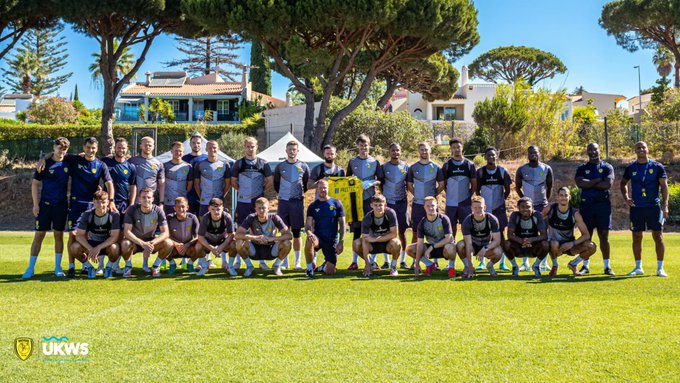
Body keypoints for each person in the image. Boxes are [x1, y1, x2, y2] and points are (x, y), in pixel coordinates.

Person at [36, 137, 115, 278]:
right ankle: (72, 266)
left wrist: (111, 200)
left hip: (93, 205)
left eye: (93, 148)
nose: (90, 150)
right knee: (73, 235)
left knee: (97, 234)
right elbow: (58, 153)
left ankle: (100, 266)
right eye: (88, 147)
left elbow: (109, 183)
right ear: (84, 148)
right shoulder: (74, 160)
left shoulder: (101, 164)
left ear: (97, 149)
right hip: (75, 204)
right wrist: (43, 158)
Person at [23, 138, 71, 279]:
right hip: (45, 206)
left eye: (64, 148)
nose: (61, 151)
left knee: (58, 235)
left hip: (61, 206)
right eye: (59, 148)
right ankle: (30, 268)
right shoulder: (45, 163)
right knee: (39, 235)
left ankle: (57, 267)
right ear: (54, 148)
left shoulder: (69, 162)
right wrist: (35, 204)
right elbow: (34, 184)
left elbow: (84, 156)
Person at [620, 141, 669, 277]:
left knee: (658, 236)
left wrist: (665, 205)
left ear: (648, 149)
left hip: (653, 207)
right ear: (635, 151)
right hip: (637, 208)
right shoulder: (631, 168)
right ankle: (638, 267)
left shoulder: (657, 167)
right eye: (638, 148)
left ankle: (660, 268)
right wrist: (626, 198)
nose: (641, 150)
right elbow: (623, 183)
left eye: (643, 147)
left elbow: (664, 187)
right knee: (636, 237)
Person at [230, 136, 273, 270]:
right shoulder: (238, 163)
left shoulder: (263, 163)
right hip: (243, 202)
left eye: (252, 146)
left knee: (258, 230)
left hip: (258, 201)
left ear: (257, 147)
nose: (250, 149)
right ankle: (238, 260)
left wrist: (259, 191)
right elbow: (233, 182)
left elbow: (269, 181)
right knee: (240, 230)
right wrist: (244, 191)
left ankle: (261, 261)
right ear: (244, 147)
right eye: (248, 146)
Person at [575, 143, 615, 275]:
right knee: (587, 236)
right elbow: (580, 183)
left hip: (603, 206)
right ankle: (585, 266)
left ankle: (607, 266)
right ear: (587, 151)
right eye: (590, 149)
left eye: (595, 149)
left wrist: (589, 183)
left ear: (600, 150)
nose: (592, 151)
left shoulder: (607, 167)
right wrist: (597, 180)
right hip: (587, 206)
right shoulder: (582, 168)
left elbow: (607, 184)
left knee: (604, 236)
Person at [129, 136, 165, 273]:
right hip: (135, 204)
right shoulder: (132, 161)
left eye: (150, 144)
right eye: (145, 144)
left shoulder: (158, 163)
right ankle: (126, 264)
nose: (148, 146)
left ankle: (147, 263)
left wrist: (161, 202)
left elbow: (161, 184)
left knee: (148, 232)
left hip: (150, 204)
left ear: (154, 146)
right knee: (131, 233)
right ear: (140, 146)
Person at [542, 187, 597, 277]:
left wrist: (572, 243)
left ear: (569, 197)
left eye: (566, 195)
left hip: (569, 245)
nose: (564, 198)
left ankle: (573, 264)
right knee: (554, 243)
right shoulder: (549, 209)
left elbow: (586, 235)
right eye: (561, 195)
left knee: (591, 247)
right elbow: (538, 222)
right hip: (554, 245)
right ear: (557, 197)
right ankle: (554, 266)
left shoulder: (575, 214)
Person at [406, 142, 445, 269]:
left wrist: (432, 197)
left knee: (436, 234)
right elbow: (410, 186)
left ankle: (435, 262)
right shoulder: (412, 168)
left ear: (430, 151)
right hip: (417, 205)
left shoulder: (437, 167)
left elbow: (441, 185)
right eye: (422, 149)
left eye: (426, 149)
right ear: (418, 151)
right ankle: (415, 261)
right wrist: (418, 195)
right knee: (416, 233)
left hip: (432, 207)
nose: (424, 152)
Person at [102, 137, 137, 275]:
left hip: (123, 205)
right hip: (106, 204)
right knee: (105, 234)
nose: (121, 150)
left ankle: (115, 265)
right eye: (119, 147)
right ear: (114, 148)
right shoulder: (105, 162)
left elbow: (133, 186)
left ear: (126, 149)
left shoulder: (131, 167)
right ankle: (101, 265)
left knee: (122, 236)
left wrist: (132, 204)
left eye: (123, 147)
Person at [273, 140, 310, 271]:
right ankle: (285, 261)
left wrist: (296, 195)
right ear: (286, 151)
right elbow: (276, 184)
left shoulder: (304, 166)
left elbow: (305, 184)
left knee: (297, 233)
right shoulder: (280, 167)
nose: (292, 151)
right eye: (290, 149)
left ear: (297, 151)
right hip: (283, 202)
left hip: (297, 203)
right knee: (284, 232)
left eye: (294, 149)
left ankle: (297, 262)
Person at [515, 146, 553, 272]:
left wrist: (545, 201)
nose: (533, 154)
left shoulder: (547, 168)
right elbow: (517, 187)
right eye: (530, 152)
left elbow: (549, 187)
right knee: (526, 232)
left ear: (539, 153)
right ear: (527, 154)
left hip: (541, 204)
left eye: (535, 152)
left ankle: (543, 262)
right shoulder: (521, 169)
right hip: (526, 206)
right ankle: (525, 263)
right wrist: (524, 201)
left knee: (544, 233)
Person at [120, 188, 173, 278]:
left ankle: (156, 266)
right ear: (139, 199)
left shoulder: (159, 211)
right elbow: (127, 232)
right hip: (136, 242)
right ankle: (128, 267)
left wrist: (151, 244)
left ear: (152, 199)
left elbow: (166, 233)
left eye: (149, 197)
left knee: (169, 243)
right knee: (125, 243)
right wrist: (142, 243)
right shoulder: (132, 210)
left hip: (151, 241)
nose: (146, 200)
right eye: (143, 197)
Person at [346, 134, 381, 270]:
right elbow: (347, 180)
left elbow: (380, 180)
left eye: (365, 146)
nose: (363, 148)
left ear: (369, 146)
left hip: (369, 201)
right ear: (357, 147)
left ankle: (373, 261)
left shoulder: (375, 162)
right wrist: (353, 181)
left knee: (372, 230)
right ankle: (354, 261)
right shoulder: (352, 162)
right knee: (356, 230)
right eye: (361, 146)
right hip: (356, 201)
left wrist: (372, 182)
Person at [307, 144, 345, 269]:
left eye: (332, 153)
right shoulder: (318, 169)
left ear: (335, 155)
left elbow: (345, 188)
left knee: (332, 230)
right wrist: (321, 182)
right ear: (324, 155)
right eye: (327, 153)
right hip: (319, 206)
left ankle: (328, 262)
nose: (330, 155)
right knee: (313, 233)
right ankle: (312, 260)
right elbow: (309, 185)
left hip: (334, 205)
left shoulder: (340, 171)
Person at [441, 138, 477, 272]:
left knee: (467, 233)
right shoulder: (446, 165)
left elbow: (474, 185)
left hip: (465, 204)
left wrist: (467, 196)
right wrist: (451, 195)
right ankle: (452, 264)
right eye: (454, 147)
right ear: (451, 149)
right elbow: (444, 185)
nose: (456, 149)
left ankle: (469, 263)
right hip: (450, 204)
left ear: (462, 148)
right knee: (451, 234)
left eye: (458, 147)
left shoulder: (469, 164)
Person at [235, 197, 292, 277]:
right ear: (255, 209)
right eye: (259, 208)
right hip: (255, 249)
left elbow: (289, 235)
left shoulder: (275, 218)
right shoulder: (251, 218)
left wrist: (272, 238)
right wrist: (255, 237)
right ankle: (249, 266)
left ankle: (276, 265)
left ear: (268, 209)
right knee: (239, 242)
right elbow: (237, 235)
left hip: (271, 248)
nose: (261, 211)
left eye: (264, 208)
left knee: (287, 243)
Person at [475, 147, 511, 272]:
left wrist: (500, 202)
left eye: (493, 155)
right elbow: (477, 190)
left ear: (497, 156)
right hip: (485, 210)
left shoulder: (502, 171)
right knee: (485, 235)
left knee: (501, 235)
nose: (491, 157)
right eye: (488, 155)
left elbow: (507, 190)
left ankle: (502, 262)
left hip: (499, 209)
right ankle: (482, 262)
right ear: (485, 157)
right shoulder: (480, 172)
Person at [70, 191, 121, 279]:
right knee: (74, 247)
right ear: (93, 202)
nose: (100, 205)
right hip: (92, 243)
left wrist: (98, 248)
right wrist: (91, 249)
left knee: (115, 248)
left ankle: (109, 268)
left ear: (108, 202)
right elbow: (79, 235)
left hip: (106, 245)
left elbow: (114, 237)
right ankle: (89, 268)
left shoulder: (114, 215)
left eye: (103, 202)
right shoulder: (87, 214)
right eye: (97, 202)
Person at [377, 143, 410, 270]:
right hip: (388, 203)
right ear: (389, 152)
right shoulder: (384, 167)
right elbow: (381, 184)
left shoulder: (406, 166)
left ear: (400, 152)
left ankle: (402, 260)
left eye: (397, 150)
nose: (395, 152)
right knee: (386, 231)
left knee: (401, 231)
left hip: (401, 202)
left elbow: (408, 184)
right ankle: (386, 261)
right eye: (393, 150)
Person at [304, 179, 346, 278]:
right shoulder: (313, 206)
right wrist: (309, 232)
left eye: (325, 188)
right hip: (318, 238)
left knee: (330, 271)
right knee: (309, 240)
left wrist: (341, 242)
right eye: (320, 188)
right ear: (317, 190)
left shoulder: (336, 203)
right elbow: (308, 225)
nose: (323, 190)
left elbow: (343, 224)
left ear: (328, 188)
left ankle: (323, 267)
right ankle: (310, 269)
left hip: (331, 240)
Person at [353, 194, 401, 277]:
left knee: (397, 243)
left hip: (387, 245)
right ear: (371, 205)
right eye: (375, 205)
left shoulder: (390, 213)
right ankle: (371, 264)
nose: (378, 207)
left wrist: (376, 239)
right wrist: (366, 264)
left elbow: (394, 234)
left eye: (380, 205)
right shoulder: (367, 218)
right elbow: (365, 240)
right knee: (356, 243)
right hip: (372, 246)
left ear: (385, 205)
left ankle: (393, 267)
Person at [406, 196, 455, 277]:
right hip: (431, 250)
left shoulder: (443, 219)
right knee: (410, 249)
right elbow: (420, 244)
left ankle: (451, 268)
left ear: (436, 206)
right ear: (424, 207)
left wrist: (432, 247)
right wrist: (417, 263)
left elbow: (449, 238)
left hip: (444, 248)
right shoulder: (422, 223)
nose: (430, 208)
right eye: (428, 206)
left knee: (451, 247)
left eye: (432, 205)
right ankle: (429, 265)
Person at [503, 197, 550, 278]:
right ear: (518, 208)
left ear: (532, 207)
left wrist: (531, 240)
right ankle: (515, 266)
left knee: (546, 244)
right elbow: (510, 235)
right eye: (522, 207)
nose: (525, 209)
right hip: (519, 246)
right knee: (506, 244)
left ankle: (536, 266)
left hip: (533, 247)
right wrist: (521, 241)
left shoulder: (537, 215)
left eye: (528, 207)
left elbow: (544, 235)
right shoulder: (514, 215)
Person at [457, 196, 503, 279]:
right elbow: (468, 244)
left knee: (499, 251)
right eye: (475, 207)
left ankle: (490, 266)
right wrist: (470, 266)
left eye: (480, 207)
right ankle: (467, 267)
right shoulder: (467, 221)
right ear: (471, 208)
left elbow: (497, 240)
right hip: (473, 247)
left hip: (486, 246)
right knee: (460, 245)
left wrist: (484, 248)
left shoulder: (491, 219)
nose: (478, 210)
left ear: (484, 207)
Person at [196, 198, 236, 277]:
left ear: (223, 208)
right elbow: (200, 237)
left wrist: (221, 247)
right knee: (198, 246)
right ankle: (204, 266)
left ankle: (230, 266)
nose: (216, 212)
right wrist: (211, 248)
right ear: (209, 209)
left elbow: (231, 234)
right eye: (213, 209)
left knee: (234, 244)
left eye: (218, 209)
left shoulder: (227, 217)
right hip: (209, 240)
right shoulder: (205, 218)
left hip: (222, 240)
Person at [193, 140, 231, 217]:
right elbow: (196, 184)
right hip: (204, 201)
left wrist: (221, 196)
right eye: (210, 148)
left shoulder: (225, 164)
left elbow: (228, 184)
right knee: (204, 224)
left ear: (218, 149)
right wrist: (202, 196)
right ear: (206, 149)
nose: (212, 150)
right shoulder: (199, 164)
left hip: (218, 200)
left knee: (219, 224)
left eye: (214, 147)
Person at [165, 197, 201, 275]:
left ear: (187, 207)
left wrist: (187, 245)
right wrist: (176, 244)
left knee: (200, 244)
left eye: (183, 206)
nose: (181, 209)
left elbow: (198, 236)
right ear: (174, 208)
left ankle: (190, 264)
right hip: (174, 248)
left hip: (189, 248)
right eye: (178, 207)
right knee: (163, 243)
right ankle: (172, 264)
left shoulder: (193, 217)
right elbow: (165, 235)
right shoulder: (169, 218)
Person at [162, 141, 193, 217]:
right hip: (168, 202)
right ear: (171, 151)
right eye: (176, 150)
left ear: (183, 152)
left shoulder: (188, 166)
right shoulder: (164, 166)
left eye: (180, 151)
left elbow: (189, 185)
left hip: (182, 203)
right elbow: (161, 184)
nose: (178, 153)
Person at [182, 133, 208, 215]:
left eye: (198, 143)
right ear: (190, 144)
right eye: (193, 143)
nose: (196, 145)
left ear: (201, 144)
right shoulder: (183, 159)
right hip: (187, 196)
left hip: (203, 196)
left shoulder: (206, 159)